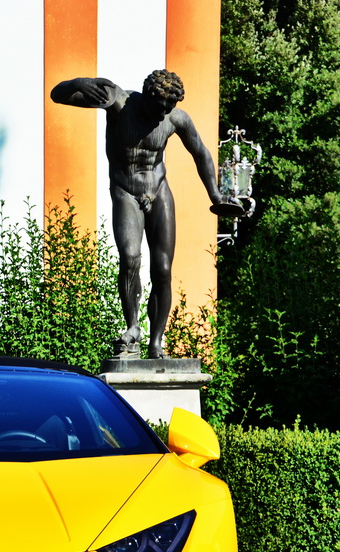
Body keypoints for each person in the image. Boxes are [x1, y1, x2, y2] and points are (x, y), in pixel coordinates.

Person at [51, 70, 234, 358]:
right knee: (130, 258)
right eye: (159, 106)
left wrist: (215, 194)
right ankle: (133, 328)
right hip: (125, 191)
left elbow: (200, 152)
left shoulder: (176, 119)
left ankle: (157, 341)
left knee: (162, 270)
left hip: (158, 191)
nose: (163, 113)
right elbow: (57, 95)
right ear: (147, 96)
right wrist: (77, 83)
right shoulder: (118, 101)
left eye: (169, 107)